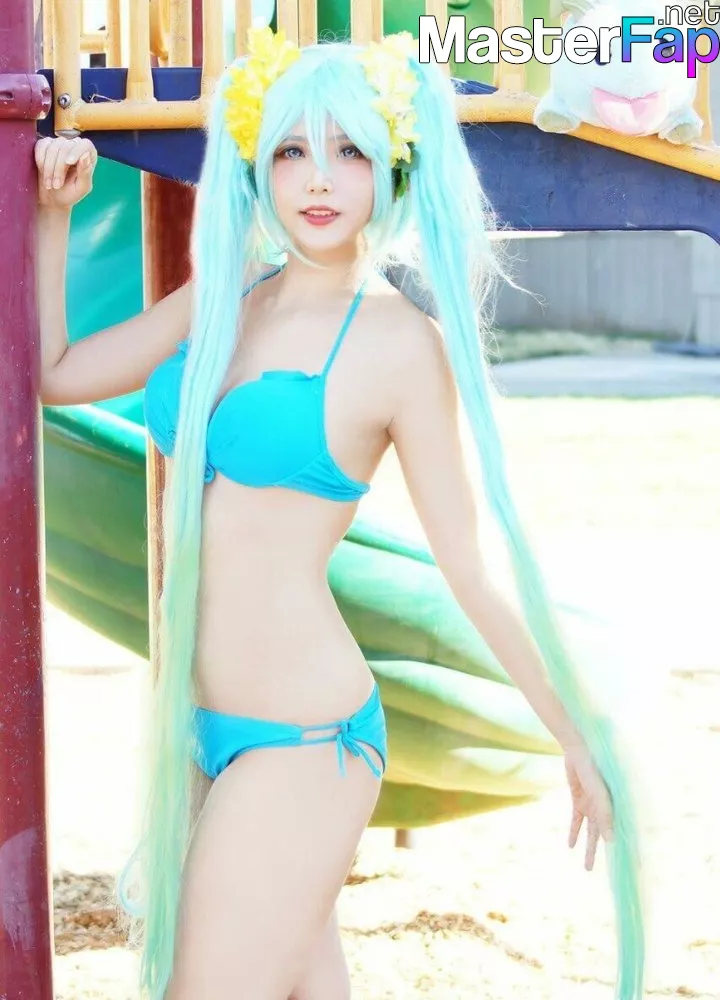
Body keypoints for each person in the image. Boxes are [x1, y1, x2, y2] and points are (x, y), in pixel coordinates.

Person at [35, 28, 643, 1000]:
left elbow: (469, 567)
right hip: (209, 723)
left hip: (306, 739)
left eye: (350, 150)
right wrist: (54, 216)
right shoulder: (232, 292)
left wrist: (575, 731)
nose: (318, 178)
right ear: (258, 163)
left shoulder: (400, 345)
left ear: (392, 166)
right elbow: (59, 375)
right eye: (291, 149)